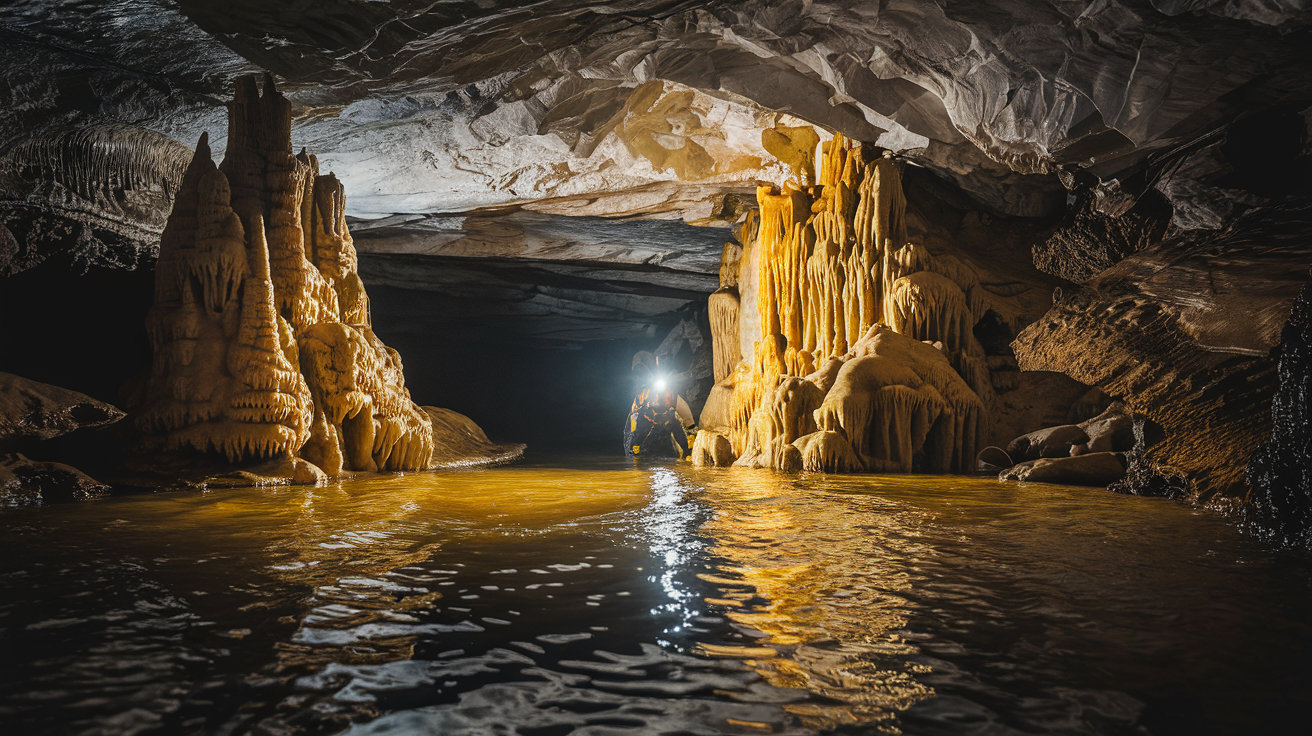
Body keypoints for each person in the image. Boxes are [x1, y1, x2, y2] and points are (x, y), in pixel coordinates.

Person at [623, 352, 693, 458]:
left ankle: (687, 451)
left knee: (675, 426)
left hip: (664, 420)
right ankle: (635, 453)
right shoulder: (642, 393)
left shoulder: (669, 395)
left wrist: (691, 427)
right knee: (638, 433)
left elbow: (681, 407)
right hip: (647, 419)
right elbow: (635, 415)